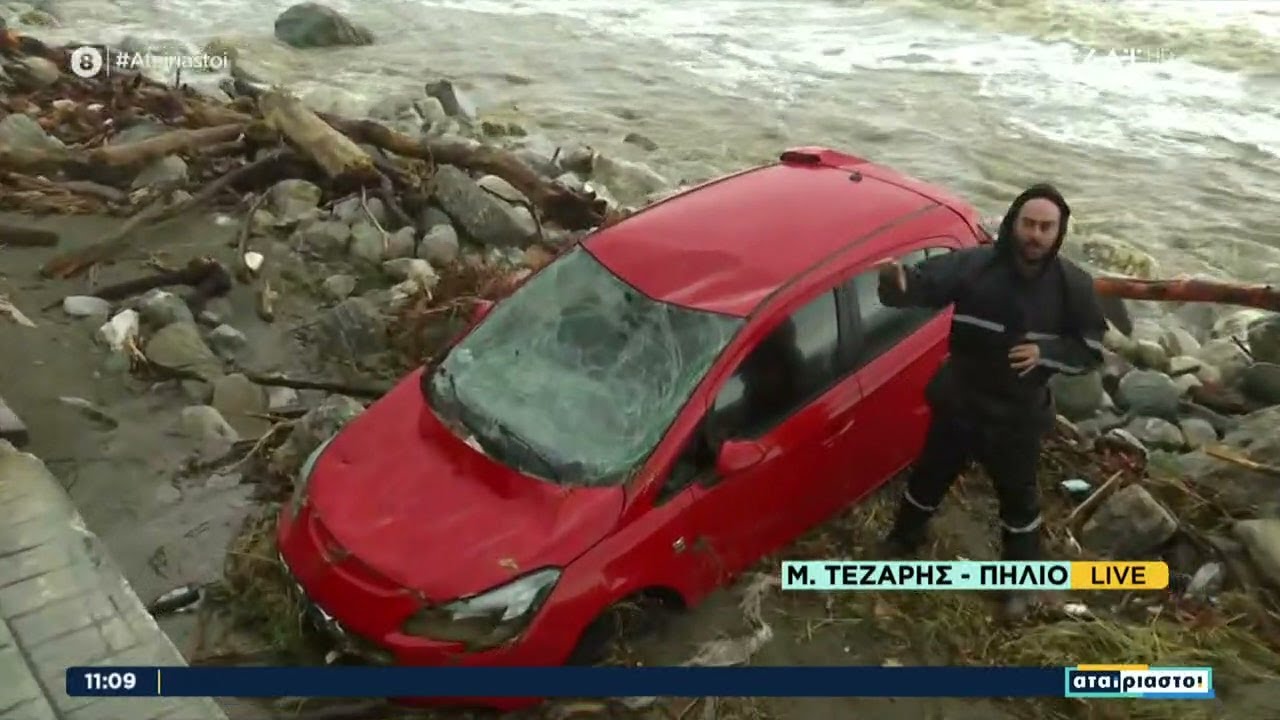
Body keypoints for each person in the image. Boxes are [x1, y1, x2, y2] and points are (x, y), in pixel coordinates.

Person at [872, 183, 1109, 620]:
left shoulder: (1073, 285)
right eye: (1029, 224)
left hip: (1017, 418)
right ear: (1013, 223)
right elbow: (921, 286)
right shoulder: (977, 265)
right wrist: (897, 283)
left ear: (1059, 233)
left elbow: (1090, 351)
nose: (1035, 234)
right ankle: (902, 543)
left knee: (1019, 503)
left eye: (1046, 227)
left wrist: (1048, 353)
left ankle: (1018, 583)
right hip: (960, 402)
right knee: (926, 481)